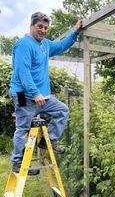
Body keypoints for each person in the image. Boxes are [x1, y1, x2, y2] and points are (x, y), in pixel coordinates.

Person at [9, 12, 83, 175]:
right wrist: (35, 93)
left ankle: (46, 140)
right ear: (31, 25)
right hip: (22, 95)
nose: (43, 30)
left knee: (62, 111)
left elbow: (62, 45)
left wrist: (75, 32)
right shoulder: (24, 45)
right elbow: (23, 72)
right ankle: (17, 163)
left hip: (43, 97)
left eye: (46, 28)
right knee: (22, 128)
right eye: (40, 27)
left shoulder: (45, 45)